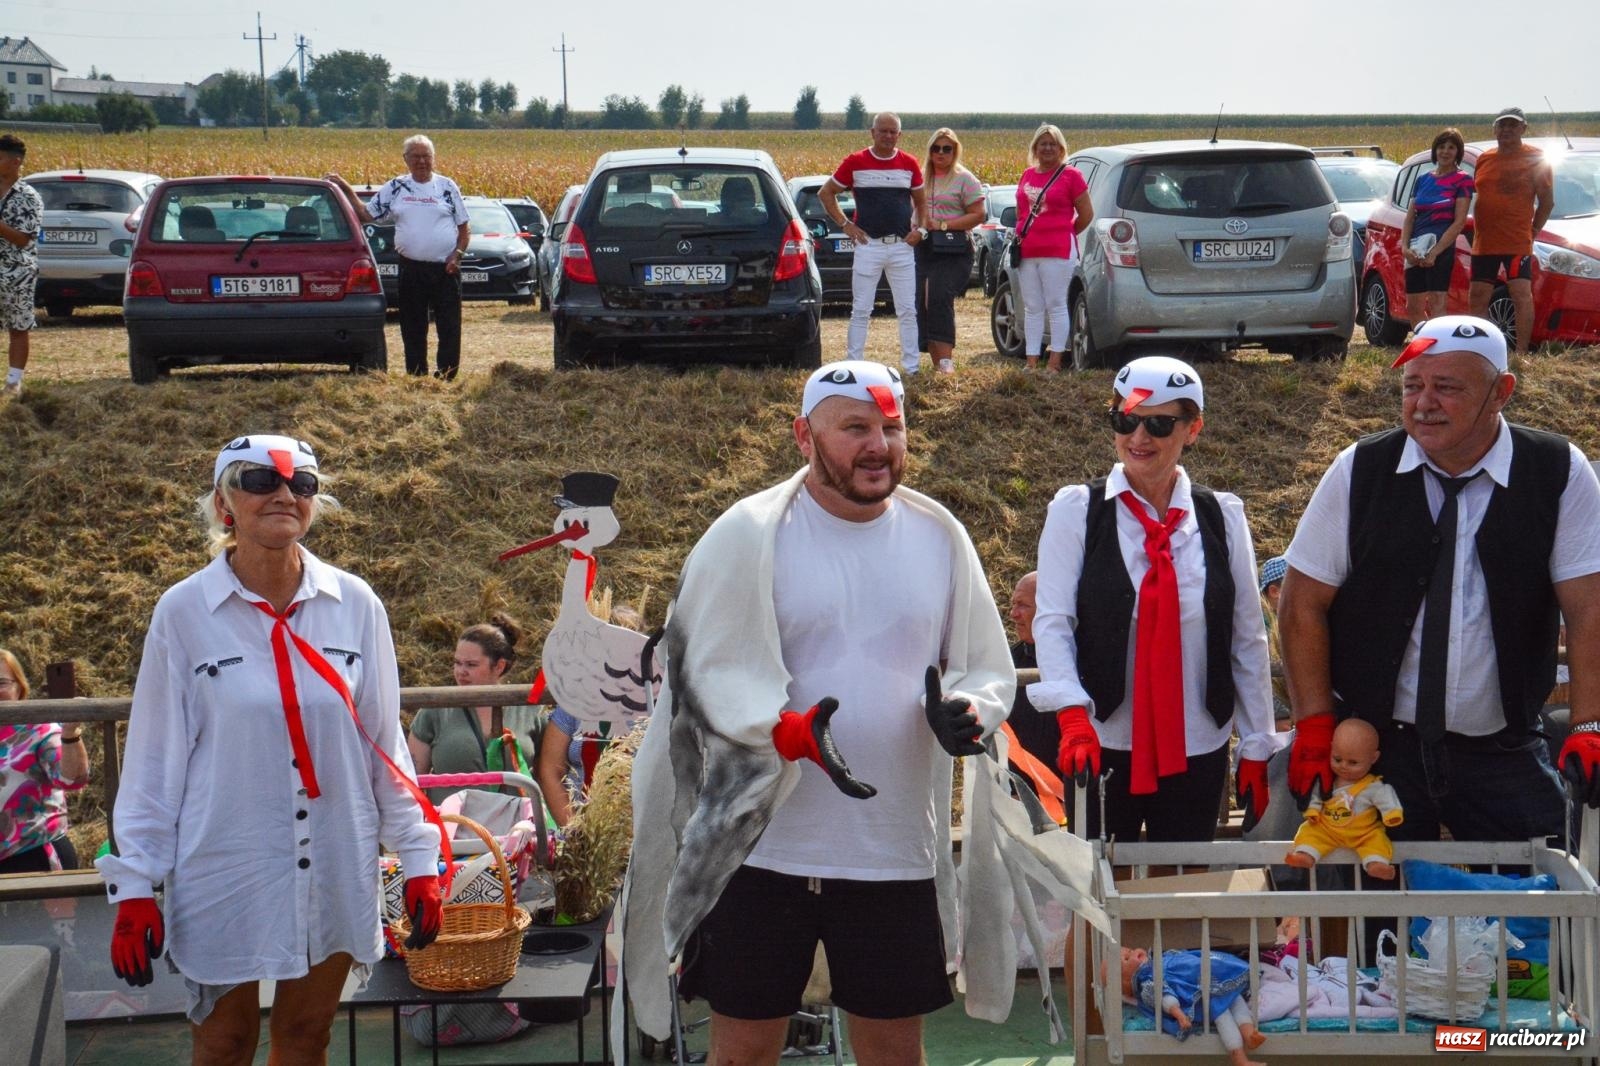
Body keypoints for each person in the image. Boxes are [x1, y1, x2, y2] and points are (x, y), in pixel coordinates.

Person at [622, 360, 1016, 1064]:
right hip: (759, 848)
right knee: (742, 1052)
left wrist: (968, 711)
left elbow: (984, 663)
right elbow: (697, 671)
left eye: (892, 427)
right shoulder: (745, 534)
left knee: (894, 1054)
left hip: (892, 850)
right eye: (856, 428)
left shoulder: (940, 535)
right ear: (804, 435)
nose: (879, 445)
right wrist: (779, 730)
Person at [97, 434, 444, 1065]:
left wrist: (419, 856)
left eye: (301, 484)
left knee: (306, 1038)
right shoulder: (183, 612)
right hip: (226, 863)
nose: (284, 494)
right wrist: (136, 884)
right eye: (261, 481)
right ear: (225, 502)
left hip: (338, 858)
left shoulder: (356, 603)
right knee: (225, 1043)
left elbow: (383, 744)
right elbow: (155, 759)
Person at [1279, 315, 1600, 852]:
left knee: (1544, 907)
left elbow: (1588, 608)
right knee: (1369, 915)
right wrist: (1315, 724)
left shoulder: (1557, 470)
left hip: (1503, 746)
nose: (1423, 403)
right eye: (1412, 386)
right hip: (1379, 747)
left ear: (1502, 392)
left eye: (1446, 387)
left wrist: (1589, 725)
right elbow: (1300, 603)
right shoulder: (1359, 469)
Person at [1030, 355, 1274, 841]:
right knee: (1096, 891)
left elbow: (1246, 637)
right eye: (1125, 420)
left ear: (1192, 429)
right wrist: (1072, 711)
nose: (1138, 439)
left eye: (1159, 425)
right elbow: (1053, 621)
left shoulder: (1222, 516)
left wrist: (1257, 742)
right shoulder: (1078, 510)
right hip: (1102, 740)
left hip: (1197, 742)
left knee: (1182, 888)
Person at [328, 135, 470, 378]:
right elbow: (365, 215)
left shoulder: (447, 187)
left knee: (449, 326)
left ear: (433, 159)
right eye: (416, 156)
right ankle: (416, 375)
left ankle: (447, 374)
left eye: (426, 156)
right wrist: (344, 187)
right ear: (406, 159)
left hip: (445, 269)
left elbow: (464, 230)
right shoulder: (396, 188)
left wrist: (456, 256)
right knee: (413, 327)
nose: (422, 161)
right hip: (411, 269)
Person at [818, 113, 928, 376]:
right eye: (883, 131)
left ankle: (911, 369)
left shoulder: (909, 163)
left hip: (901, 246)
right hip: (869, 245)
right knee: (861, 309)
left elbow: (922, 202)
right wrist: (846, 225)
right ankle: (853, 366)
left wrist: (921, 230)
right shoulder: (855, 162)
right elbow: (826, 193)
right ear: (872, 132)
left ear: (899, 135)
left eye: (893, 132)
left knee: (907, 310)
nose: (888, 136)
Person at [408, 613, 544, 804]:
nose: (460, 671)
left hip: (517, 829)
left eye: (471, 664)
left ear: (499, 666)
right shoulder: (434, 710)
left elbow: (546, 775)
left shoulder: (530, 711)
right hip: (454, 827)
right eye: (457, 662)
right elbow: (412, 781)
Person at [536, 603, 641, 828]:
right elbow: (550, 770)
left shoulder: (655, 704)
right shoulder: (574, 702)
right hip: (585, 828)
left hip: (641, 830)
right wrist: (575, 831)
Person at [1468, 108, 1554, 354]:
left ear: (1523, 129)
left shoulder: (1536, 158)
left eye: (1513, 125)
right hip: (1484, 242)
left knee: (1520, 295)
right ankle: (1480, 351)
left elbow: (1547, 202)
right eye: (1502, 125)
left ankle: (1521, 353)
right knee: (1478, 296)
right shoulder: (1485, 158)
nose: (1506, 130)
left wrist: (1534, 229)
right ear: (1494, 129)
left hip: (1517, 242)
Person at [0, 649, 89, 874]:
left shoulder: (39, 729)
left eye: (1, 683)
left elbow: (71, 779)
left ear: (19, 687)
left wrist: (70, 732)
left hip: (34, 858)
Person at [1014, 125, 1092, 373]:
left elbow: (1086, 214)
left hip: (1058, 251)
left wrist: (1064, 232)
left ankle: (1055, 362)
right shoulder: (1027, 174)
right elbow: (1021, 212)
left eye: (1053, 144)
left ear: (1061, 148)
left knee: (1056, 304)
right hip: (1028, 250)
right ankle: (1032, 361)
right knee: (1032, 306)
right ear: (1035, 148)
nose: (1047, 148)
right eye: (1043, 143)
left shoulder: (1071, 175)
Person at [1285, 718, 1403, 879]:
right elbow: (1317, 794)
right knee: (1309, 832)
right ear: (1331, 748)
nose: (1343, 766)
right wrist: (1313, 810)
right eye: (1337, 759)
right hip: (1327, 829)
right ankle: (1305, 855)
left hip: (1364, 833)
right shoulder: (1328, 779)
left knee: (1377, 840)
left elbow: (1386, 797)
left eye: (1353, 762)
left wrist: (1391, 814)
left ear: (1373, 758)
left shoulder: (1372, 785)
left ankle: (1376, 864)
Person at [1118, 946, 1265, 1066]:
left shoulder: (1158, 960)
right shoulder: (1148, 983)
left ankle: (1249, 1034)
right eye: (1126, 958)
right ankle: (1239, 1059)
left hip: (1209, 980)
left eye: (1129, 950)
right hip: (1199, 995)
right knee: (1222, 1012)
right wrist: (1180, 1015)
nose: (1132, 953)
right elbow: (1165, 998)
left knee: (1234, 997)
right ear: (1126, 982)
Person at [914, 127, 984, 376]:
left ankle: (946, 363)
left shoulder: (964, 178)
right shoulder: (921, 176)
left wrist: (944, 224)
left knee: (939, 297)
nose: (941, 153)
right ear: (929, 150)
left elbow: (979, 214)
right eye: (936, 148)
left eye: (947, 148)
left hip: (954, 248)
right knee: (922, 301)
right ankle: (936, 364)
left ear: (955, 151)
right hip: (924, 246)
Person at [1399, 128, 1474, 326]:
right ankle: (1423, 346)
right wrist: (1404, 248)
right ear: (1435, 150)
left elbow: (1459, 222)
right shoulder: (1423, 180)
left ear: (1458, 152)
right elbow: (1409, 218)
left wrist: (1435, 253)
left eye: (1451, 147)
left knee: (1436, 302)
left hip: (1441, 248)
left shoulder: (1463, 180)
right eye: (1441, 147)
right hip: (1416, 246)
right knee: (1413, 306)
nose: (1446, 152)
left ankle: (1439, 351)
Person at [0, 133, 43, 401]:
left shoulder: (29, 197)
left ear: (15, 162)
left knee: (18, 326)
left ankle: (14, 382)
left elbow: (22, 238)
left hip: (17, 272)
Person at [1004, 571, 1061, 771]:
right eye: (1013, 604)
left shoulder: (1080, 663)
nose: (1013, 614)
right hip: (1018, 793)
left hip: (1073, 794)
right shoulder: (1008, 661)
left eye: (1023, 605)